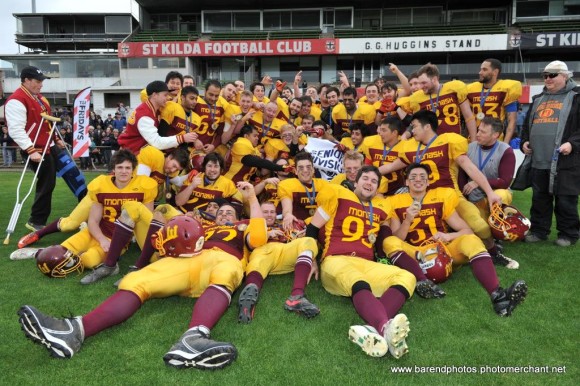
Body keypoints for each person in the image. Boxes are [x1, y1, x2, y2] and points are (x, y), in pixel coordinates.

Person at [17, 182, 267, 370]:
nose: (224, 215)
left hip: (223, 259)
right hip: (184, 260)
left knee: (226, 272)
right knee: (136, 281)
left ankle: (194, 339)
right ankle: (74, 332)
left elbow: (258, 238)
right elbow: (166, 219)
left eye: (229, 213)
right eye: (221, 212)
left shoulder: (242, 227)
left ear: (238, 217)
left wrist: (252, 198)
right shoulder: (201, 224)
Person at [383, 163, 527, 315]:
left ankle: (498, 295)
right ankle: (423, 282)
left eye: (422, 177)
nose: (417, 180)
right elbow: (397, 238)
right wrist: (407, 220)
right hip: (417, 254)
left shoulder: (440, 197)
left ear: (428, 182)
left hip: (443, 250)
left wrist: (447, 236)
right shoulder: (395, 201)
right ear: (406, 182)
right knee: (389, 242)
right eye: (413, 177)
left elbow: (467, 230)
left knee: (471, 240)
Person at [377, 110, 513, 268]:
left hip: (451, 195)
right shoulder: (410, 148)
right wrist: (364, 173)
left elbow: (469, 168)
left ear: (427, 127)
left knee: (479, 226)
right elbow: (392, 166)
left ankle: (493, 251)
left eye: (414, 126)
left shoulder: (447, 141)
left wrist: (489, 192)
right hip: (425, 198)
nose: (411, 131)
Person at [307, 165, 415, 358]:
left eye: (374, 181)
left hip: (366, 262)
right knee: (358, 281)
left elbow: (386, 238)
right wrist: (312, 259)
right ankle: (384, 326)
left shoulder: (380, 207)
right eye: (365, 178)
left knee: (406, 277)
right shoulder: (338, 194)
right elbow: (313, 229)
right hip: (336, 260)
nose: (369, 183)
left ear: (378, 188)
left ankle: (371, 330)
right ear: (355, 181)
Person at [11, 150, 157, 274]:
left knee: (88, 261)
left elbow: (146, 221)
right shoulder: (101, 185)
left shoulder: (144, 186)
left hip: (117, 239)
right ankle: (39, 248)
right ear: (114, 168)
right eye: (120, 167)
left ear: (133, 169)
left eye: (127, 168)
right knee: (64, 247)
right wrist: (101, 238)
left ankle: (57, 251)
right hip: (96, 231)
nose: (124, 171)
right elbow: (93, 220)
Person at [521, 60, 580, 247]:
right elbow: (527, 126)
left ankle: (568, 234)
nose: (547, 78)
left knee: (566, 199)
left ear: (565, 76)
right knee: (539, 199)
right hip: (539, 159)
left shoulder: (577, 97)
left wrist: (572, 143)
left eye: (552, 75)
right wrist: (525, 141)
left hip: (565, 161)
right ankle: (539, 230)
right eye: (545, 75)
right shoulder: (538, 98)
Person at [238, 201, 319, 323]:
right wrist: (266, 234)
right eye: (265, 212)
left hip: (286, 251)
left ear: (277, 214)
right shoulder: (253, 224)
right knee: (258, 261)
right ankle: (248, 300)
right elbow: (249, 242)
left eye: (272, 212)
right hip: (264, 251)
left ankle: (297, 297)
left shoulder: (288, 224)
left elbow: (315, 223)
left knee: (308, 241)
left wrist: (313, 260)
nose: (269, 215)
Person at [5, 66, 59, 232]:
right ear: (26, 80)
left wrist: (56, 138)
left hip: (48, 144)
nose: (40, 84)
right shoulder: (17, 100)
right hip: (35, 148)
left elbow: (46, 122)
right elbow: (15, 130)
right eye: (37, 81)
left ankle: (83, 204)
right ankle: (36, 220)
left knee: (59, 177)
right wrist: (30, 149)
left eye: (41, 81)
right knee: (47, 182)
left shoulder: (38, 98)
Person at [459, 117, 516, 223]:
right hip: (472, 199)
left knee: (503, 194)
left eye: (483, 132)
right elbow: (461, 177)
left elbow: (505, 182)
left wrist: (477, 182)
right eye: (478, 130)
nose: (477, 134)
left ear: (495, 135)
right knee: (478, 228)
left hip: (493, 196)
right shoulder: (469, 148)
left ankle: (498, 225)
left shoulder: (505, 150)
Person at [118, 81, 197, 155]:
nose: (168, 98)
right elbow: (156, 142)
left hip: (135, 152)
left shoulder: (152, 108)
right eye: (165, 95)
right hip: (130, 154)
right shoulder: (145, 115)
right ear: (155, 95)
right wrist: (182, 138)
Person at [411, 63, 477, 140]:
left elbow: (469, 117)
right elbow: (417, 125)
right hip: (432, 144)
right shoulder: (417, 98)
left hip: (454, 141)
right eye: (420, 83)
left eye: (424, 83)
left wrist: (473, 140)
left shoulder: (453, 89)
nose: (421, 86)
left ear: (434, 79)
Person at [466, 59, 522, 144]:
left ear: (495, 72)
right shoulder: (470, 89)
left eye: (484, 69)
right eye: (481, 69)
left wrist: (505, 144)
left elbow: (512, 120)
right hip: (475, 139)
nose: (480, 72)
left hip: (495, 140)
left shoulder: (506, 88)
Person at [278, 151, 329, 229]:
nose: (305, 170)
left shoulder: (324, 185)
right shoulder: (286, 185)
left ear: (313, 169)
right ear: (295, 171)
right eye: (301, 167)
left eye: (308, 167)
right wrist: (287, 214)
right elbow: (286, 207)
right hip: (298, 228)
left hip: (320, 227)